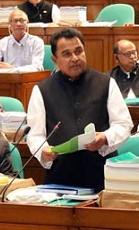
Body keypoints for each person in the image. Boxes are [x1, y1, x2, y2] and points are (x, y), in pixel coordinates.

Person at [27, 28, 133, 192]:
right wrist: (42, 151)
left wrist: (105, 138)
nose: (75, 58)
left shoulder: (105, 83)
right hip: (60, 176)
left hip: (102, 175)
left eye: (79, 51)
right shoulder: (42, 89)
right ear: (55, 59)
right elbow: (35, 135)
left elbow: (124, 124)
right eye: (67, 54)